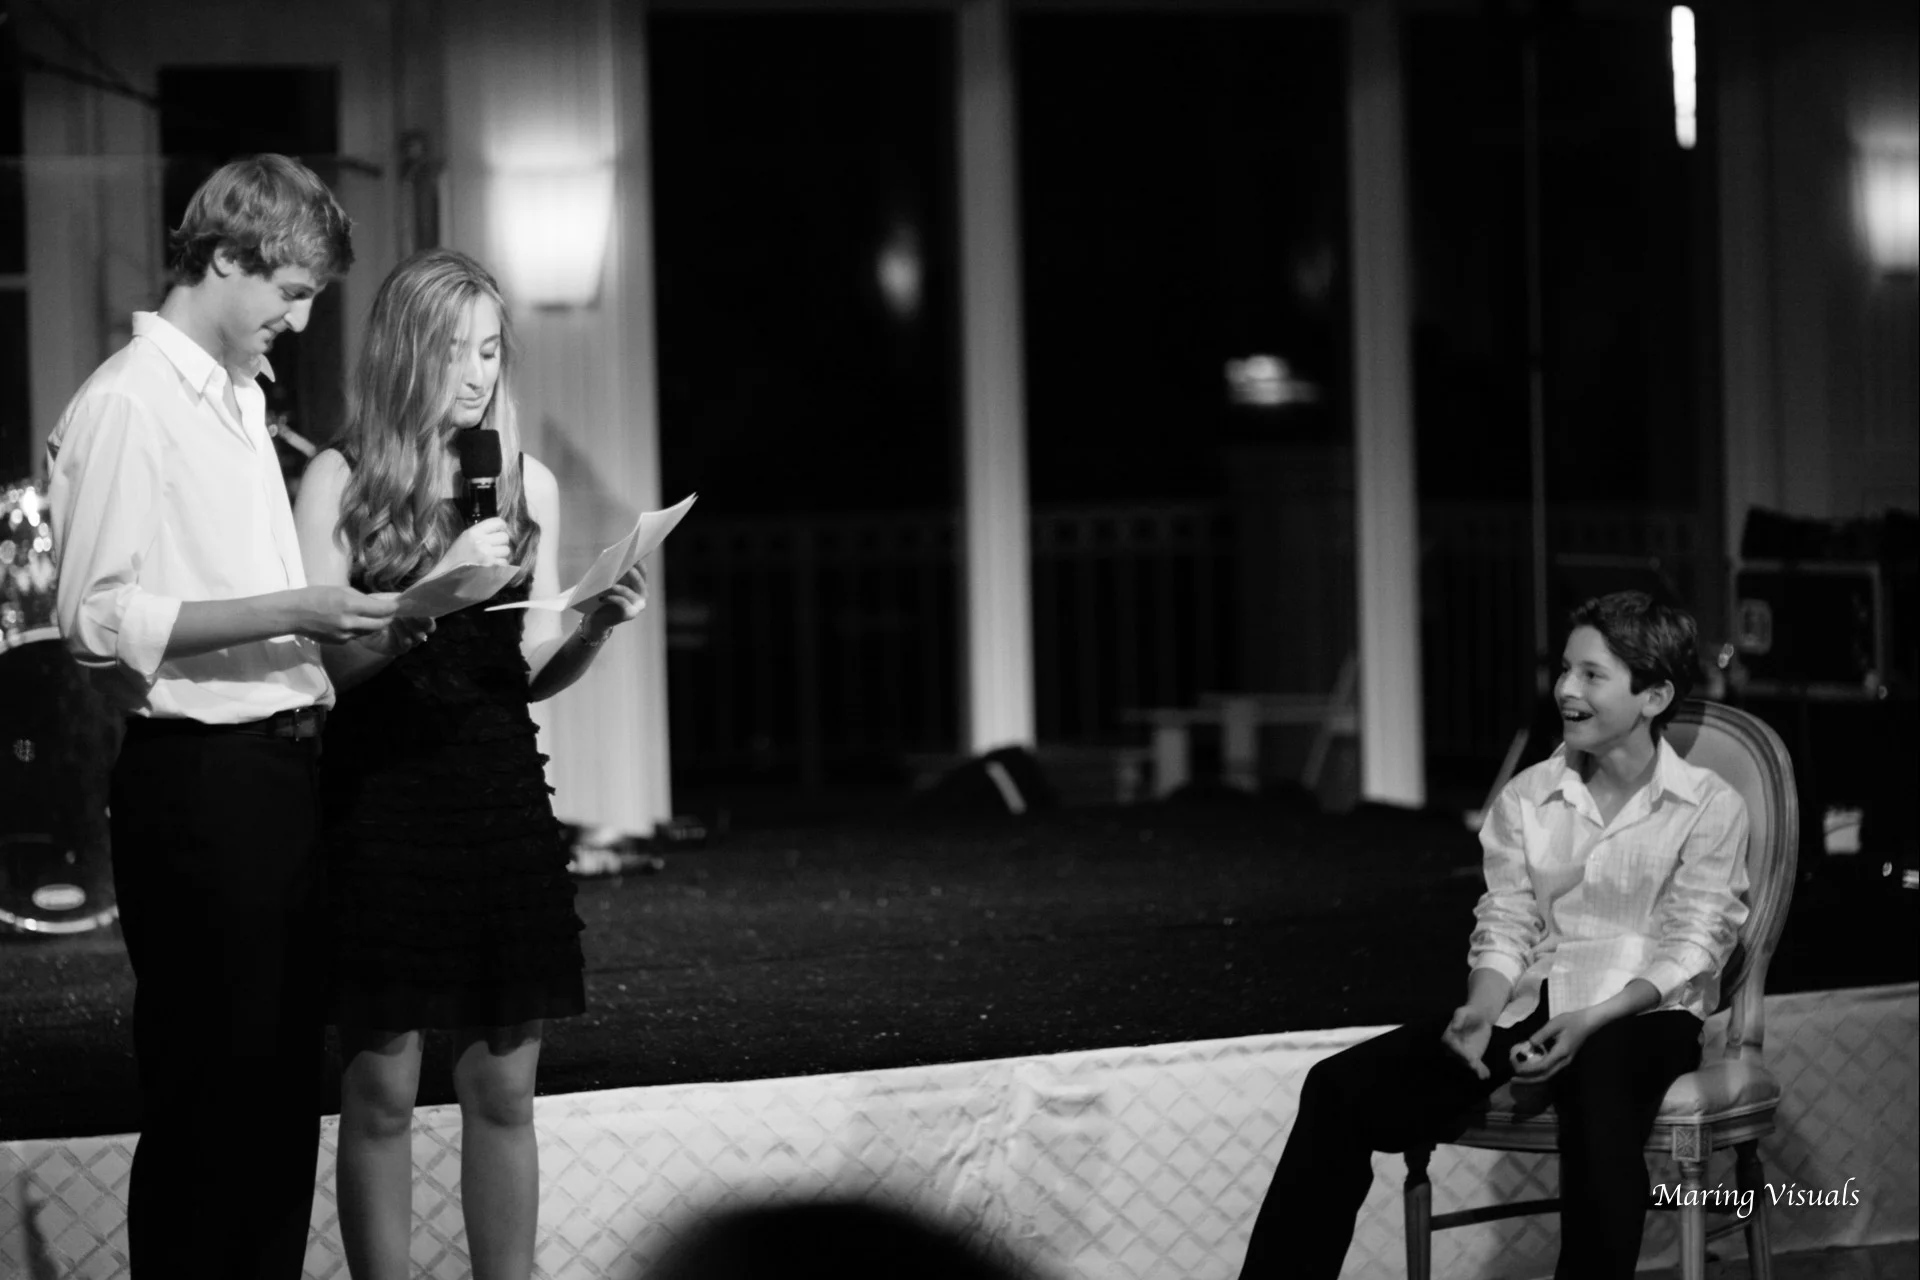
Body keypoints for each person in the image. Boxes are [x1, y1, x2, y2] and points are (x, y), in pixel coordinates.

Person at [47, 154, 406, 1278]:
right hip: (201, 782)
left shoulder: (241, 398)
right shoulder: (128, 401)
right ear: (221, 257)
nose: (297, 321)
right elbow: (94, 616)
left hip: (283, 773)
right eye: (289, 292)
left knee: (277, 1103)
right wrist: (295, 606)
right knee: (211, 1103)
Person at [292, 247, 646, 1280]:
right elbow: (328, 670)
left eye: (490, 350)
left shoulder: (525, 482)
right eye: (455, 351)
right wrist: (424, 601)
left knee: (504, 1089)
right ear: (407, 355)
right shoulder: (340, 478)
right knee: (382, 1090)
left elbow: (519, 669)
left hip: (498, 800)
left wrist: (593, 629)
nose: (477, 373)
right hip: (382, 801)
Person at [1237, 591, 1751, 1280]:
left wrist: (1591, 1020)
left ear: (1653, 696)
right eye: (1564, 669)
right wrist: (1482, 1011)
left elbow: (1695, 943)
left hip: (1643, 1014)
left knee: (1598, 1078)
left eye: (1592, 675)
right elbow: (1506, 922)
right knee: (1336, 1088)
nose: (1566, 690)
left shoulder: (1709, 804)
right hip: (1534, 1005)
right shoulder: (1528, 796)